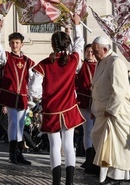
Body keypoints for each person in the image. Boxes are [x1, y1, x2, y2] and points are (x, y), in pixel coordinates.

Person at [32, 14, 85, 185]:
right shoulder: (72, 61)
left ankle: (56, 182)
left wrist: (41, 97)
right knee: (69, 145)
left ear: (52, 45)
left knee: (55, 145)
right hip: (68, 107)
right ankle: (69, 181)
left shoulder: (44, 64)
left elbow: (33, 88)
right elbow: (79, 44)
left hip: (51, 108)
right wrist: (76, 26)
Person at [90, 36, 130, 185]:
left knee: (115, 147)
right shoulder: (102, 61)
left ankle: (116, 177)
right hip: (102, 112)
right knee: (101, 142)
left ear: (105, 49)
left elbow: (120, 90)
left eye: (96, 51)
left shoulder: (116, 62)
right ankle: (107, 174)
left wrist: (111, 109)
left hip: (116, 112)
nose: (93, 54)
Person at [0, 20, 36, 165]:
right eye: (12, 43)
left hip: (22, 96)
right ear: (10, 44)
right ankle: (13, 154)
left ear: (22, 44)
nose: (15, 45)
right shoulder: (6, 57)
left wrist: (32, 93)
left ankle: (19, 153)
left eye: (17, 43)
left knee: (21, 125)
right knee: (13, 123)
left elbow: (32, 78)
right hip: (9, 95)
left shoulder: (28, 61)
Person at [75, 43, 99, 175]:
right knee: (88, 130)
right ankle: (88, 157)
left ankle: (96, 157)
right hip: (85, 102)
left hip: (97, 102)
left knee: (97, 131)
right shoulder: (81, 65)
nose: (90, 53)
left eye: (92, 51)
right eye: (88, 51)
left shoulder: (100, 65)